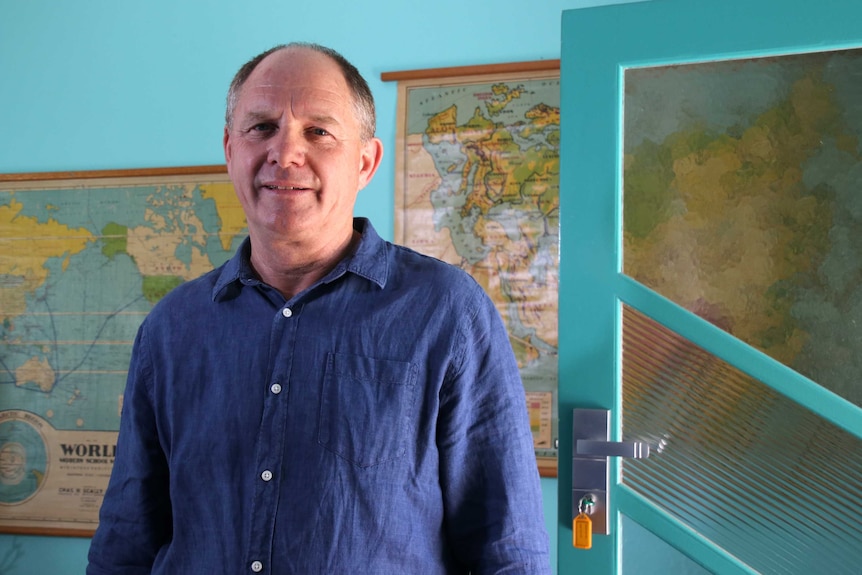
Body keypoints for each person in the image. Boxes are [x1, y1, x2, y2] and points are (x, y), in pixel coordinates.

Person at [87, 42, 551, 575]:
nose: (285, 153)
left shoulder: (446, 312)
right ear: (230, 149)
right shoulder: (171, 328)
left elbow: (507, 549)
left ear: (365, 162)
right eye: (261, 127)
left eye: (318, 131)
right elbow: (126, 542)